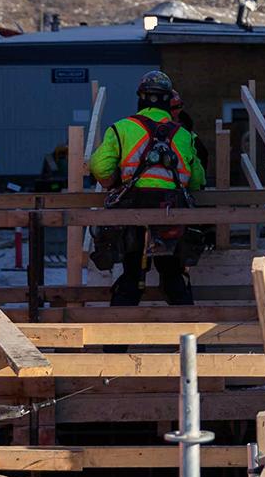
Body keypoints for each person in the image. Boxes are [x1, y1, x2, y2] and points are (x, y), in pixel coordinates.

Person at [88, 72, 206, 305]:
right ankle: (192, 338)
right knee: (172, 276)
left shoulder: (121, 128)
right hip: (170, 212)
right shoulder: (183, 135)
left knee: (132, 277)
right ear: (168, 100)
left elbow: (99, 167)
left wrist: (113, 182)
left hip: (133, 211)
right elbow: (197, 181)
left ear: (141, 98)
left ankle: (115, 341)